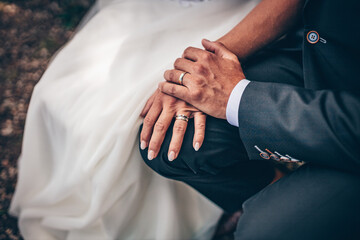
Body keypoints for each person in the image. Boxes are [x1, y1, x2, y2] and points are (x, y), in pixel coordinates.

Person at [9, 0, 264, 239]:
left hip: (234, 17)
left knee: (133, 123)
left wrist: (201, 68)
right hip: (155, 9)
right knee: (55, 95)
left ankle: (227, 203)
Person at [140, 0, 360, 239]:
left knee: (260, 231)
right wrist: (205, 72)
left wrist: (237, 97)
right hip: (320, 54)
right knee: (166, 138)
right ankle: (275, 186)